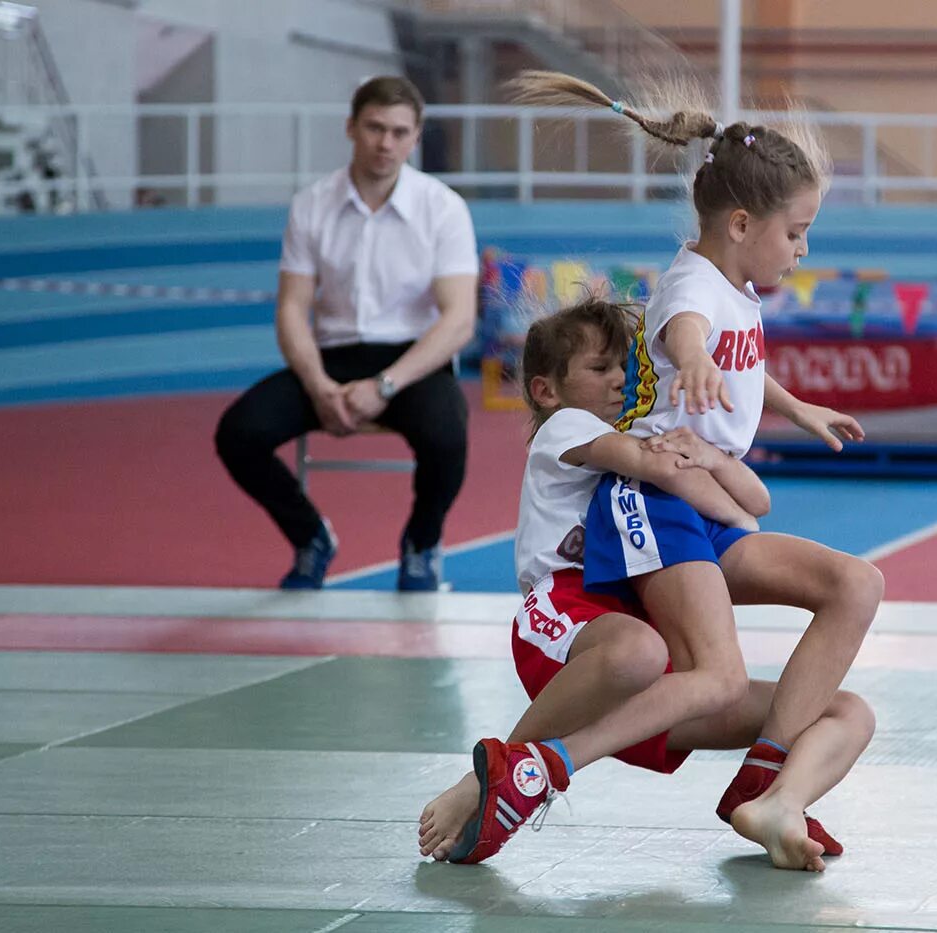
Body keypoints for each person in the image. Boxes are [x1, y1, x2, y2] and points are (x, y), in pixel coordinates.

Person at [514, 71, 885, 865]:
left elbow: (740, 363)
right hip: (655, 499)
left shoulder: (741, 287)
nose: (804, 247)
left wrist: (794, 407)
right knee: (718, 674)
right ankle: (545, 765)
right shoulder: (692, 284)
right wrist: (690, 363)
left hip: (705, 506)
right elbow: (684, 329)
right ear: (743, 222)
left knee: (858, 583)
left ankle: (768, 783)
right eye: (797, 231)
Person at [417, 298, 873, 872]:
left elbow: (752, 502)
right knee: (640, 648)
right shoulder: (568, 427)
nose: (617, 381)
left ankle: (777, 800)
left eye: (620, 368)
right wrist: (689, 459)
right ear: (546, 391)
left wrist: (710, 459)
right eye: (599, 369)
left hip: (648, 693)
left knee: (845, 712)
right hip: (565, 618)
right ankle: (485, 783)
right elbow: (657, 466)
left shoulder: (639, 466)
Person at [214, 76, 476, 592]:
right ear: (351, 127)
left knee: (449, 434)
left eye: (400, 132)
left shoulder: (443, 208)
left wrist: (383, 387)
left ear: (416, 137)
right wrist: (318, 387)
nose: (386, 143)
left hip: (412, 363)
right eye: (375, 128)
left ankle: (421, 544)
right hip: (331, 361)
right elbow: (292, 309)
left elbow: (459, 319)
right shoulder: (312, 205)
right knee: (238, 433)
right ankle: (311, 536)